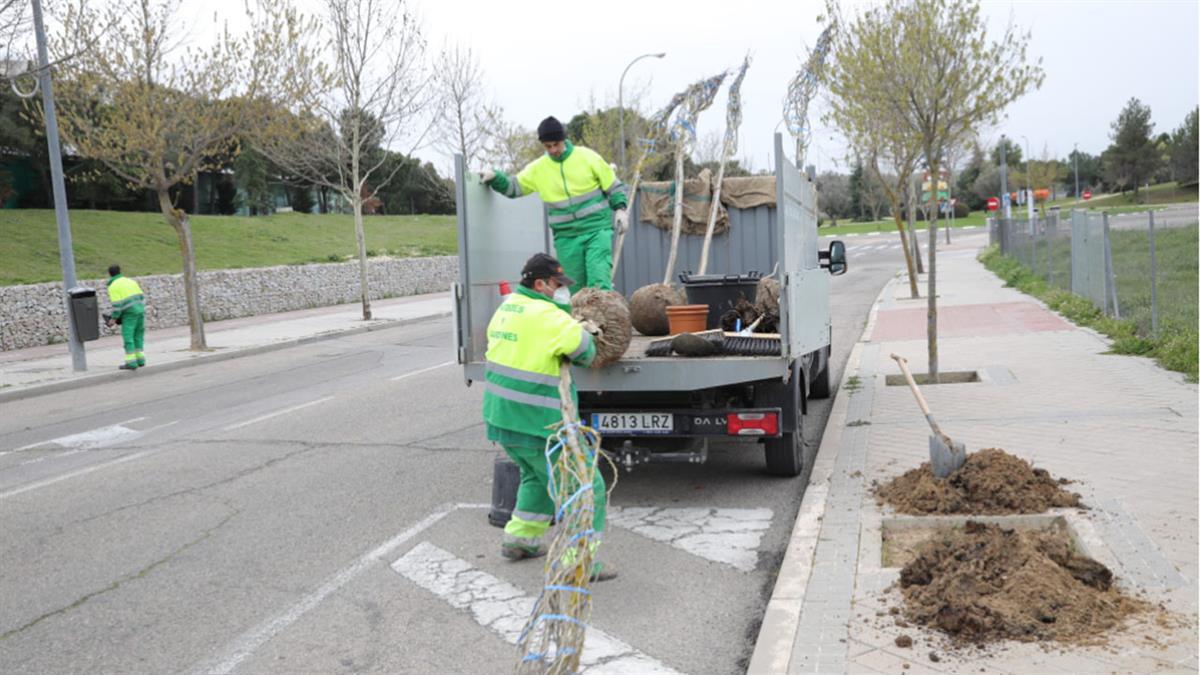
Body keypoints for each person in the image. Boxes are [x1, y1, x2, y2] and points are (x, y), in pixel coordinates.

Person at [482, 252, 615, 581]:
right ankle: (579, 562)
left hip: (502, 419)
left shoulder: (508, 307)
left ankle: (520, 540)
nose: (562, 291)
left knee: (535, 478)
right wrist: (581, 328)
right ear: (540, 284)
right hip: (541, 424)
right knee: (586, 487)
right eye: (558, 285)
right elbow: (586, 354)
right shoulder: (548, 316)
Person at [479, 116, 629, 293]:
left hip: (596, 230)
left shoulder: (588, 158)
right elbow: (514, 187)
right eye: (548, 146)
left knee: (599, 282)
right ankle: (580, 321)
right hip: (566, 237)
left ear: (564, 139)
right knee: (574, 289)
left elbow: (613, 185)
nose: (553, 150)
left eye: (556, 144)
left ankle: (602, 320)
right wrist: (496, 178)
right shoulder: (538, 168)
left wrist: (620, 209)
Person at [104, 264, 146, 371]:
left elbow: (117, 306)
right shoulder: (131, 281)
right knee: (138, 335)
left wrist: (113, 319)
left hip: (129, 314)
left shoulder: (113, 286)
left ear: (109, 274)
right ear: (120, 271)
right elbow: (141, 296)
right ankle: (141, 360)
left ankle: (131, 363)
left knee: (128, 337)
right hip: (140, 311)